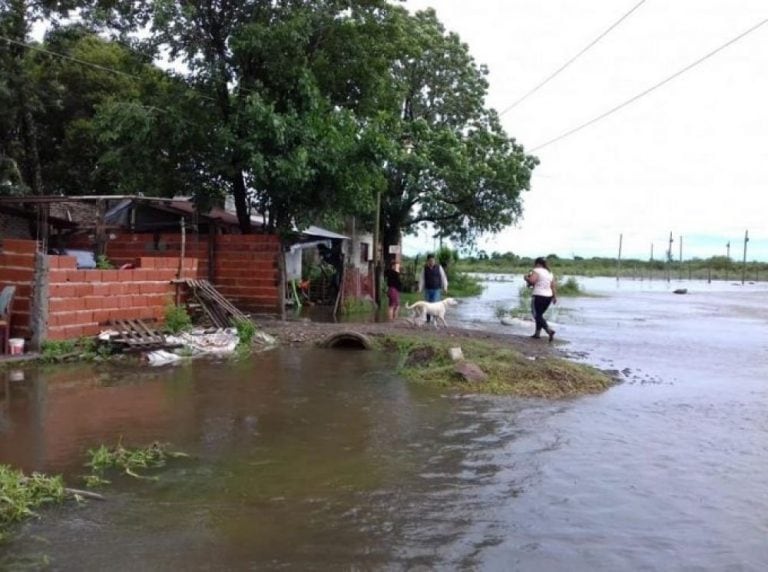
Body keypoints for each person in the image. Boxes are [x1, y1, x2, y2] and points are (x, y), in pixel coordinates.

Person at [524, 257, 557, 342]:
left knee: (536, 315)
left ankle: (548, 330)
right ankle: (537, 334)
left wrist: (526, 278)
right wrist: (554, 297)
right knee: (539, 315)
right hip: (548, 296)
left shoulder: (536, 270)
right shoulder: (549, 273)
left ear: (538, 263)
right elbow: (552, 285)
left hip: (538, 295)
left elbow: (532, 281)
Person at [418, 253, 448, 322]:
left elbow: (443, 277)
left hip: (436, 289)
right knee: (427, 304)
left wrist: (445, 287)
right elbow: (421, 279)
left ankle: (435, 320)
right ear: (427, 261)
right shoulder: (424, 268)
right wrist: (420, 288)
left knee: (435, 304)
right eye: (430, 260)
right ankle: (428, 320)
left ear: (435, 261)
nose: (432, 262)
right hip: (427, 289)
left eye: (433, 260)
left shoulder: (439, 267)